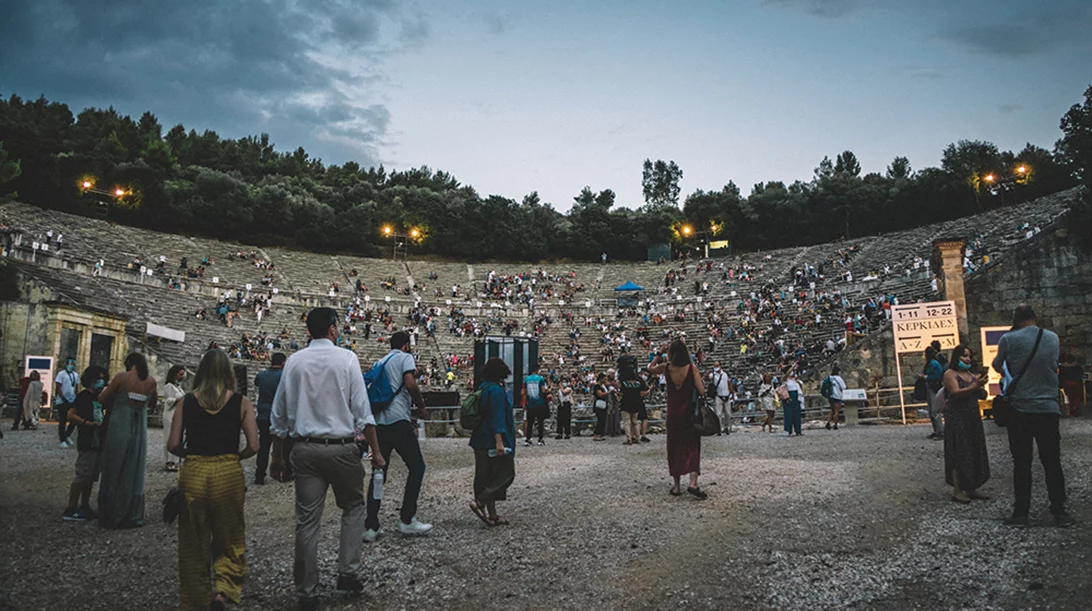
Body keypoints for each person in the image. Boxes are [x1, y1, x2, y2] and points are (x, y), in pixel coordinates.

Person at [270, 307, 384, 610]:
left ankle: (307, 590)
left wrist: (277, 457)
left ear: (309, 330)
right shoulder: (346, 359)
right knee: (354, 506)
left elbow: (278, 415)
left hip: (305, 448)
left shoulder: (293, 362)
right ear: (333, 329)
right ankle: (347, 571)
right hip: (342, 447)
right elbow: (363, 411)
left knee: (306, 520)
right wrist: (377, 452)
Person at [168, 349, 259, 611]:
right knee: (230, 535)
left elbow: (173, 444)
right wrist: (236, 456)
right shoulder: (241, 402)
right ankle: (224, 590)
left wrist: (191, 454)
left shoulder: (187, 401)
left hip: (194, 470)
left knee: (193, 540)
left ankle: (196, 599)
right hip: (228, 470)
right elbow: (254, 445)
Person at [991, 305, 1073, 528]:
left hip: (1020, 408)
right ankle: (1059, 510)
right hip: (1048, 407)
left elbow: (997, 365)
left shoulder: (1009, 339)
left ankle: (1021, 513)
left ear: (1016, 320)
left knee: (1022, 462)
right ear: (1035, 318)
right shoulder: (1053, 338)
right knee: (1052, 462)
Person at [364, 331, 433, 542]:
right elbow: (410, 383)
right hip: (398, 420)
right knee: (417, 466)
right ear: (405, 345)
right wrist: (420, 406)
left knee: (379, 472)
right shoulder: (405, 358)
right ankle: (407, 518)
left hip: (379, 423)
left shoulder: (380, 362)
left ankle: (371, 525)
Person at [96, 353, 158, 529]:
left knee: (114, 466)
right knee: (133, 469)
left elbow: (102, 399)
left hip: (119, 426)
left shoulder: (121, 378)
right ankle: (131, 513)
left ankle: (110, 513)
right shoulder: (151, 381)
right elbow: (153, 403)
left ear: (129, 363)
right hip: (139, 430)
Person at [648, 339, 708, 499]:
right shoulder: (692, 369)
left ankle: (676, 486)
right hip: (689, 414)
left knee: (674, 447)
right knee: (693, 446)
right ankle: (693, 483)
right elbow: (702, 391)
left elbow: (650, 369)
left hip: (673, 414)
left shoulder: (666, 368)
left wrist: (659, 352)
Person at [468, 358, 516, 526]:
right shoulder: (496, 391)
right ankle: (480, 502)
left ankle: (492, 515)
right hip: (491, 439)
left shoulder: (484, 387)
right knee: (505, 473)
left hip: (480, 438)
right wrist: (499, 442)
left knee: (486, 476)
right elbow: (496, 418)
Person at [942, 345, 990, 504]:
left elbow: (979, 395)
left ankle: (972, 486)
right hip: (957, 416)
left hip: (972, 416)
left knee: (973, 449)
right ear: (957, 357)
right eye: (964, 356)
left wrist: (981, 387)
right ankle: (957, 489)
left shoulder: (971, 375)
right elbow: (955, 393)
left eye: (969, 356)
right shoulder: (950, 374)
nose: (967, 359)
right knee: (958, 451)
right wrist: (973, 387)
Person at [62, 366, 109, 522]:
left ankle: (85, 505)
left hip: (99, 440)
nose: (101, 382)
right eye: (98, 379)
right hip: (87, 439)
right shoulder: (83, 396)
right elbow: (71, 414)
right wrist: (86, 423)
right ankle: (71, 507)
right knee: (82, 475)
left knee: (91, 477)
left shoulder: (101, 397)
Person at [253, 353, 288, 485]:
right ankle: (282, 472)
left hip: (263, 414)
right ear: (283, 363)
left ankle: (259, 474)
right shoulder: (283, 377)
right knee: (282, 445)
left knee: (263, 445)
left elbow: (257, 384)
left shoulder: (261, 375)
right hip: (279, 415)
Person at [161, 365, 186, 472]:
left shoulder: (178, 387)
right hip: (170, 415)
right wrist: (180, 399)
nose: (183, 376)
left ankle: (175, 461)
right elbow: (169, 400)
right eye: (180, 374)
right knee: (169, 437)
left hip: (178, 415)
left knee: (178, 437)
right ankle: (169, 461)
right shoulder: (169, 386)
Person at [618, 362, 649, 445]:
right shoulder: (639, 380)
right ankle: (637, 437)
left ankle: (629, 438)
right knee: (635, 421)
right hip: (636, 402)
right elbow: (643, 391)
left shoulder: (623, 380)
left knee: (626, 422)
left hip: (625, 402)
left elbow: (620, 392)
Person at [919, 346, 945, 440]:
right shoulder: (931, 363)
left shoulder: (933, 363)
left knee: (934, 410)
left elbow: (937, 376)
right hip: (930, 387)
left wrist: (925, 377)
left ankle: (940, 432)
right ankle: (936, 430)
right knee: (931, 410)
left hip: (934, 387)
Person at [56, 356, 80, 448]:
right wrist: (62, 397)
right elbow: (58, 386)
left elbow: (76, 388)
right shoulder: (61, 374)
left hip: (72, 399)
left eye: (72, 364)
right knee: (62, 420)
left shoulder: (75, 375)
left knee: (74, 419)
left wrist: (77, 398)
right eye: (69, 364)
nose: (70, 365)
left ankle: (67, 435)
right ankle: (62, 440)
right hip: (62, 400)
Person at [522, 366, 548, 446]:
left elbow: (524, 392)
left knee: (530, 422)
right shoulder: (540, 379)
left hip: (530, 403)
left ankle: (528, 439)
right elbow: (543, 390)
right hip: (540, 403)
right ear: (537, 370)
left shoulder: (527, 379)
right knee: (540, 422)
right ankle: (540, 439)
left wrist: (524, 403)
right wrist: (548, 390)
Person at [709, 361, 733, 435]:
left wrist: (731, 392)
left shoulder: (725, 374)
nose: (716, 367)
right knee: (718, 413)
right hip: (718, 395)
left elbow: (729, 383)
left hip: (726, 395)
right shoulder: (713, 375)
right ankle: (719, 428)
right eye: (715, 365)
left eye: (717, 365)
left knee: (728, 413)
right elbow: (708, 377)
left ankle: (726, 427)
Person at [824, 366, 847, 431]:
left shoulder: (829, 378)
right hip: (837, 396)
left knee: (832, 410)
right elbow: (843, 387)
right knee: (836, 411)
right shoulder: (839, 379)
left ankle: (828, 423)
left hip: (830, 396)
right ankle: (835, 425)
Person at [783, 370, 803, 437]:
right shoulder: (785, 379)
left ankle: (798, 430)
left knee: (797, 414)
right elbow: (786, 375)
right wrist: (792, 367)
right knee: (789, 414)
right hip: (789, 396)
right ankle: (789, 431)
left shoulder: (796, 380)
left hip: (796, 396)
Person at [592, 373, 609, 441]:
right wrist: (608, 393)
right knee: (600, 419)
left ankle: (600, 434)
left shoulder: (603, 386)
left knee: (603, 420)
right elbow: (600, 394)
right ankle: (596, 434)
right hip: (599, 405)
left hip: (604, 404)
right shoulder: (597, 386)